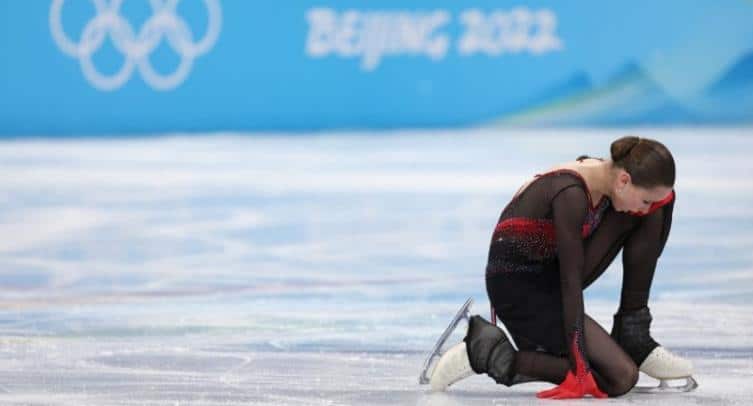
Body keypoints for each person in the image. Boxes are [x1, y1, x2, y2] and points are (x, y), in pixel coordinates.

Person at [428, 136, 694, 399]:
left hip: (548, 275)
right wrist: (580, 370)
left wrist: (651, 204)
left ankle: (632, 331)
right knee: (620, 377)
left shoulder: (607, 177)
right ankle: (487, 352)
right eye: (643, 200)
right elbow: (570, 285)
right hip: (520, 293)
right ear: (624, 180)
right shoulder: (571, 195)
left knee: (661, 203)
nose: (643, 208)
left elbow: (567, 276)